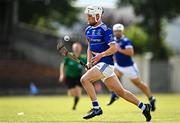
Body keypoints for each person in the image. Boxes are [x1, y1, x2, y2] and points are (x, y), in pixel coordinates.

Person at [81, 5, 152, 122]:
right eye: (87, 16)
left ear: (97, 16)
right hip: (99, 65)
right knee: (121, 92)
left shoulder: (105, 30)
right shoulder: (88, 30)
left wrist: (101, 55)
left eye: (90, 16)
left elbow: (114, 48)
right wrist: (89, 62)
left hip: (106, 64)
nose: (87, 18)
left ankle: (96, 108)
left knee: (85, 79)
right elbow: (89, 47)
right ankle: (144, 107)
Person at [107, 24, 156, 111]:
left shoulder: (126, 41)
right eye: (115, 31)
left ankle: (151, 98)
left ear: (122, 31)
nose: (117, 32)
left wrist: (119, 50)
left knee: (138, 84)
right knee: (108, 76)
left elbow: (130, 53)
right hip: (118, 65)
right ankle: (114, 94)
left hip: (129, 67)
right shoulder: (113, 40)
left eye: (119, 31)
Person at [59, 42, 86, 110]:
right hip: (69, 77)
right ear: (73, 48)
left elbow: (88, 64)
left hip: (78, 76)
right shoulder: (69, 56)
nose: (76, 49)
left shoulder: (83, 57)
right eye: (75, 47)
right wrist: (62, 74)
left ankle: (74, 106)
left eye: (78, 47)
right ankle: (74, 98)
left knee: (78, 91)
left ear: (80, 48)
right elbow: (62, 65)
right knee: (71, 94)